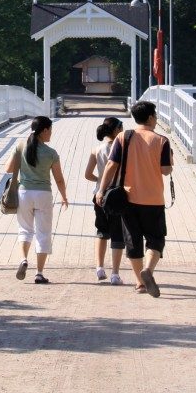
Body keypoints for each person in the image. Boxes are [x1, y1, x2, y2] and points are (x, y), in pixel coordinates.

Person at [94, 101, 172, 297]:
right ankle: (149, 270)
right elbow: (166, 171)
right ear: (152, 117)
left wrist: (101, 190)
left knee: (133, 241)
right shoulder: (162, 140)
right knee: (155, 240)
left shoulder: (124, 137)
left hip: (128, 199)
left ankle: (139, 283)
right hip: (154, 200)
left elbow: (111, 165)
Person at [4, 115, 69, 284]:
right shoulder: (51, 153)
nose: (51, 134)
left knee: (25, 230)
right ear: (45, 130)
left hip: (24, 193)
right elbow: (59, 179)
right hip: (43, 195)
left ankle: (24, 259)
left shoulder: (20, 146)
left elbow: (8, 168)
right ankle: (39, 273)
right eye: (50, 131)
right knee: (43, 233)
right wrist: (64, 196)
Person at [84, 116, 126, 285]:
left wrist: (100, 181)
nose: (123, 129)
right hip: (117, 195)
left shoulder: (96, 149)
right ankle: (115, 274)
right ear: (116, 130)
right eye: (121, 126)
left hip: (99, 195)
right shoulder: (123, 148)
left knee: (101, 231)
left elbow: (87, 174)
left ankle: (99, 268)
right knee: (118, 234)